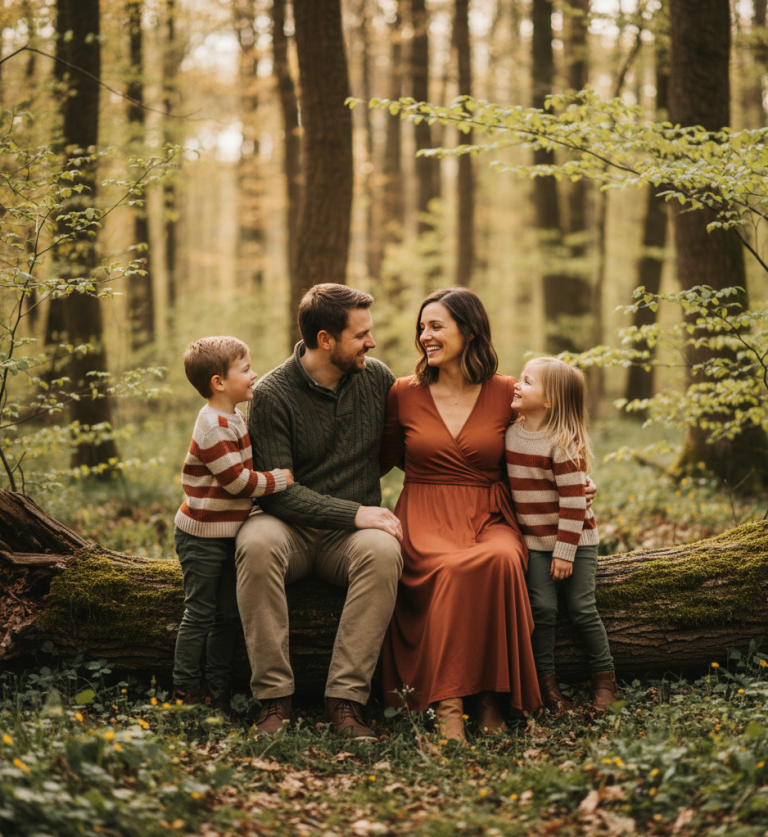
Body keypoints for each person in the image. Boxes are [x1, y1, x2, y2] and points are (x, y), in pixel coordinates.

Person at [380, 287, 549, 742]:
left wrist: (574, 488)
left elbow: (539, 447)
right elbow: (382, 458)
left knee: (500, 560)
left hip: (487, 514)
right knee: (451, 569)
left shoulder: (506, 392)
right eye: (422, 327)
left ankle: (492, 698)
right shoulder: (403, 392)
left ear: (470, 331)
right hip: (425, 515)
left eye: (436, 326)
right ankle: (448, 704)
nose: (424, 336)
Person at [235, 284, 403, 740]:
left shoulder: (378, 378)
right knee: (255, 542)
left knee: (384, 551)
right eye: (361, 334)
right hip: (288, 527)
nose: (371, 342)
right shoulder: (271, 393)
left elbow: (417, 448)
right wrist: (354, 512)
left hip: (346, 541)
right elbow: (275, 492)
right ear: (325, 339)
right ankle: (274, 699)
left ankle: (346, 701)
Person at [173, 336, 293, 709]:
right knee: (199, 613)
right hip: (202, 536)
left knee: (227, 614)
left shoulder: (235, 416)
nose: (254, 374)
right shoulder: (211, 425)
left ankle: (218, 688)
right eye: (245, 369)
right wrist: (280, 478)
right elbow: (238, 481)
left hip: (230, 534)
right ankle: (186, 688)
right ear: (218, 382)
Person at [505, 357, 616, 713]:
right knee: (543, 609)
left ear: (549, 400)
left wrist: (565, 553)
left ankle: (605, 680)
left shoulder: (562, 443)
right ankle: (546, 684)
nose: (516, 385)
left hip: (577, 540)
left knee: (583, 608)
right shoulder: (510, 432)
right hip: (534, 543)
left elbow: (573, 503)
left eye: (527, 381)